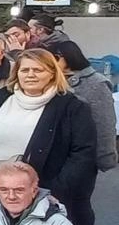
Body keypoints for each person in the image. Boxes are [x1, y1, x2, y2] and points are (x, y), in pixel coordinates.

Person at [0, 49, 97, 225]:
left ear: (53, 74)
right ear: (16, 73)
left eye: (38, 70)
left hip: (46, 189)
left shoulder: (72, 107)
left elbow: (83, 152)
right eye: (25, 69)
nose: (31, 74)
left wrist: (56, 190)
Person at [50, 40, 118, 173]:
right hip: (53, 156)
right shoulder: (51, 80)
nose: (50, 64)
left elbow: (104, 123)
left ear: (67, 57)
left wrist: (105, 157)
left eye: (54, 59)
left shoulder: (96, 83)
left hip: (81, 158)